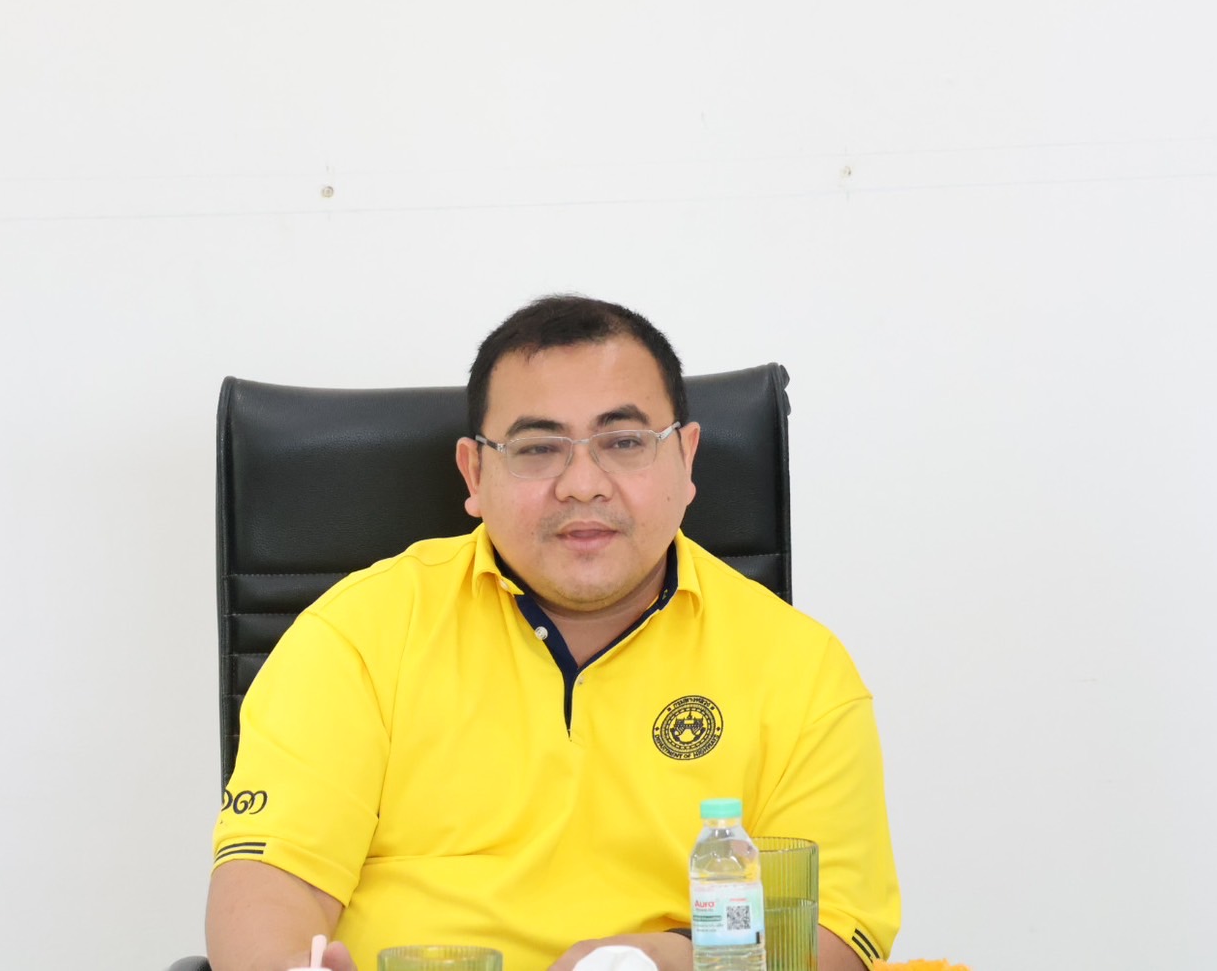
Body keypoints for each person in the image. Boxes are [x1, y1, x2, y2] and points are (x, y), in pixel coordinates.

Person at [206, 295, 899, 971]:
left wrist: (687, 958)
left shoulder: (800, 668)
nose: (582, 484)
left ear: (687, 459)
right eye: (538, 448)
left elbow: (831, 934)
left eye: (623, 442)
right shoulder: (357, 634)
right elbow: (273, 881)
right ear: (474, 472)